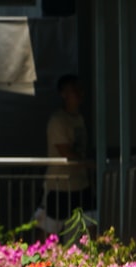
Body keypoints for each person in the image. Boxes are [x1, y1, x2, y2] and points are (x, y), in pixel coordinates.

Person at [43, 74, 93, 228]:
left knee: (90, 225)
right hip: (61, 185)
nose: (79, 93)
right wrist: (89, 164)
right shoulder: (58, 120)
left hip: (80, 184)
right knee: (51, 228)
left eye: (80, 89)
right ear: (64, 94)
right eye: (74, 90)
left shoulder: (78, 118)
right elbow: (65, 151)